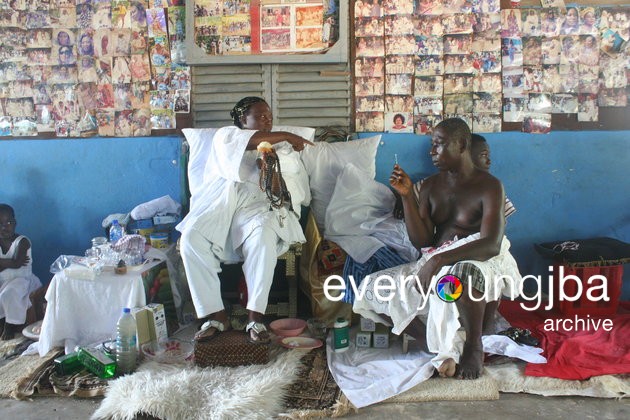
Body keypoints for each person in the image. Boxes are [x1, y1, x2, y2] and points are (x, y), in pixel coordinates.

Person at [353, 118, 522, 379]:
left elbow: (491, 244)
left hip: (478, 258)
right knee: (370, 288)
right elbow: (423, 242)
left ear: (462, 144)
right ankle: (438, 346)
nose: (432, 152)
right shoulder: (431, 186)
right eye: (432, 145)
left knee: (460, 275)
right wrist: (408, 196)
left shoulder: (489, 186)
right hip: (440, 257)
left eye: (439, 145)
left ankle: (473, 346)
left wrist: (437, 261)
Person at [177, 97, 313, 345]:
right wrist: (288, 135)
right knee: (190, 239)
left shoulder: (281, 149)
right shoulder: (226, 136)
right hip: (222, 204)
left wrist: (270, 170)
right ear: (243, 119)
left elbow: (282, 194)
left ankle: (255, 317)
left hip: (259, 207)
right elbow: (248, 143)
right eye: (261, 117)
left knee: (262, 236)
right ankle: (215, 315)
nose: (267, 122)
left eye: (270, 118)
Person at [0, 204, 42, 340]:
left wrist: (8, 263)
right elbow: (14, 262)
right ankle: (1, 321)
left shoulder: (22, 241)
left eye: (8, 223)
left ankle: (10, 325)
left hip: (22, 280)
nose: (4, 227)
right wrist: (9, 262)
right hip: (3, 280)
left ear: (15, 223)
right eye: (0, 224)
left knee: (9, 293)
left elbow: (18, 263)